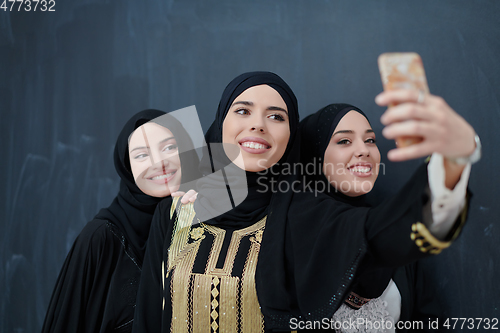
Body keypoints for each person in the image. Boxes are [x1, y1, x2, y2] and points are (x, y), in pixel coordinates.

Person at [133, 72, 475, 333]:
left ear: (290, 137)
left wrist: (453, 161)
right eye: (242, 110)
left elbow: (380, 234)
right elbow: (150, 314)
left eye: (276, 116)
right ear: (222, 121)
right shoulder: (177, 210)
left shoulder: (303, 211)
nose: (258, 125)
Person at [299, 103, 472, 331]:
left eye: (370, 140)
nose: (364, 151)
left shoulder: (397, 237)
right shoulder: (291, 240)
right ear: (315, 157)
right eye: (344, 141)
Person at [42, 109, 200, 333]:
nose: (160, 162)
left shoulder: (207, 225)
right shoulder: (100, 238)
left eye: (169, 147)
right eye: (141, 155)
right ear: (127, 167)